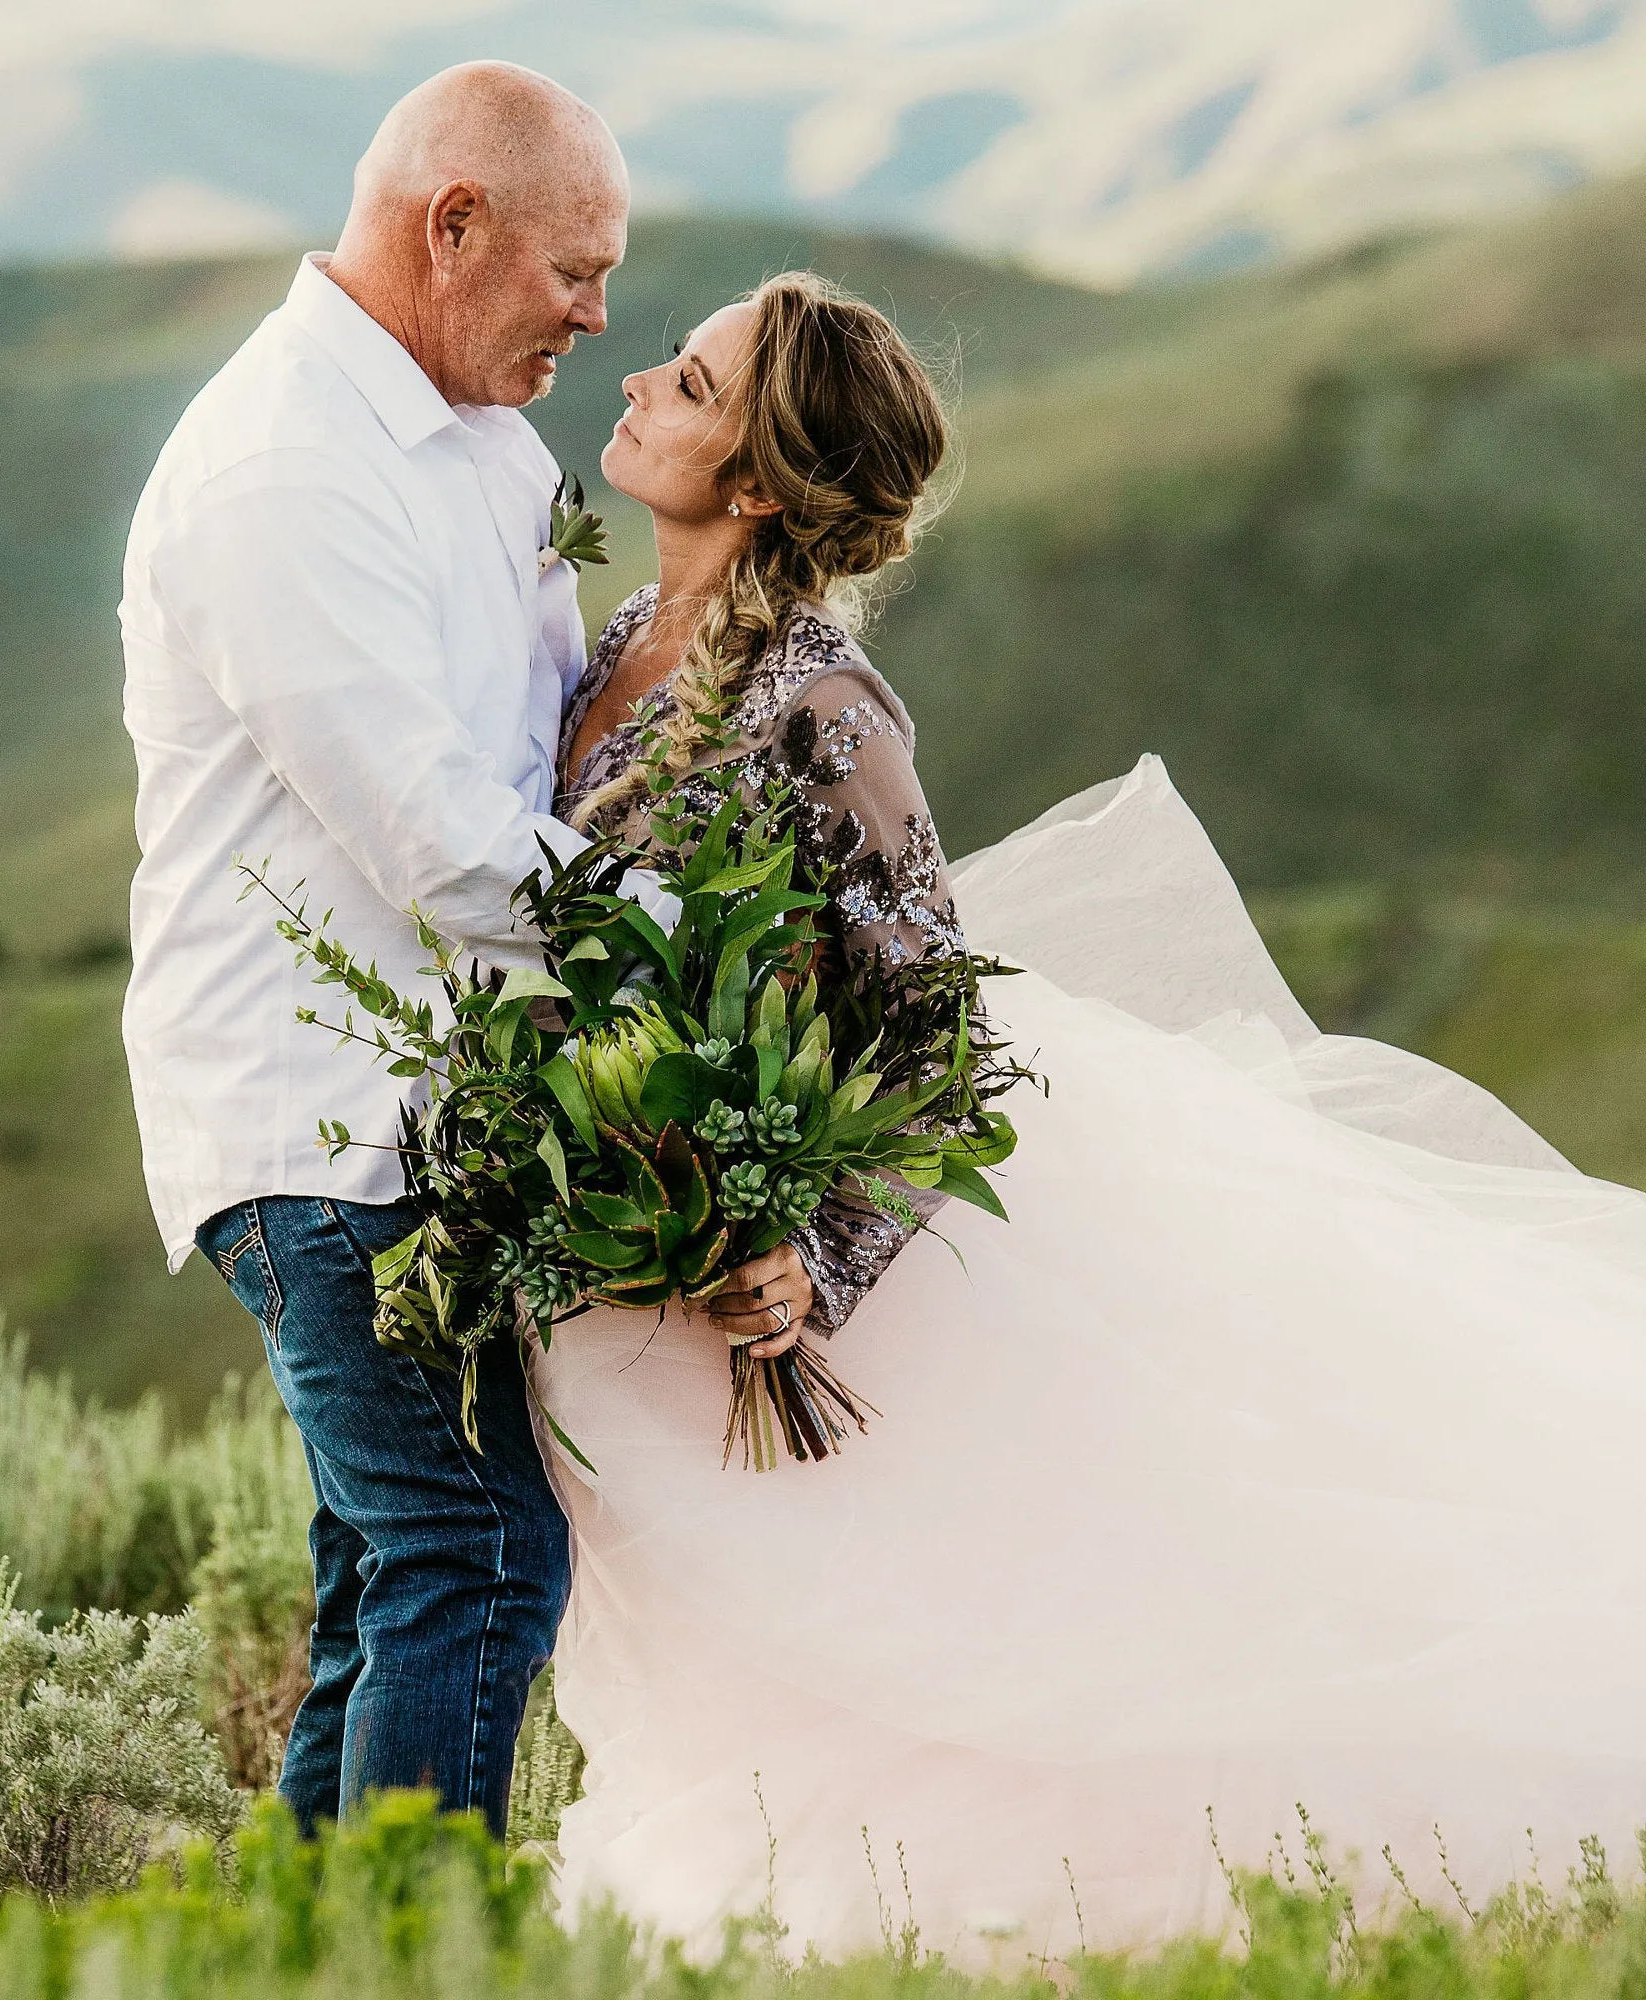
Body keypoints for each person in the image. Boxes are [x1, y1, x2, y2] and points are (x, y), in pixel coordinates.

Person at [532, 271, 1646, 1959]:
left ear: (753, 483)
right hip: (629, 1257)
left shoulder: (826, 715)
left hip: (794, 1303)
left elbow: (929, 1032)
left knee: (927, 1664)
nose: (635, 386)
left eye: (684, 381)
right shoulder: (621, 646)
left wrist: (807, 1261)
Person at [116, 62, 650, 1841]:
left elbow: (534, 751)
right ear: (453, 225)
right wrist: (680, 941)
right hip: (321, 1119)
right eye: (573, 269)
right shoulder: (282, 464)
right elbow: (434, 832)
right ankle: (409, 1961)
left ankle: (308, 1957)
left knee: (394, 1574)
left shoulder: (484, 440)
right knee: (476, 1551)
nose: (597, 312)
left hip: (435, 1111)